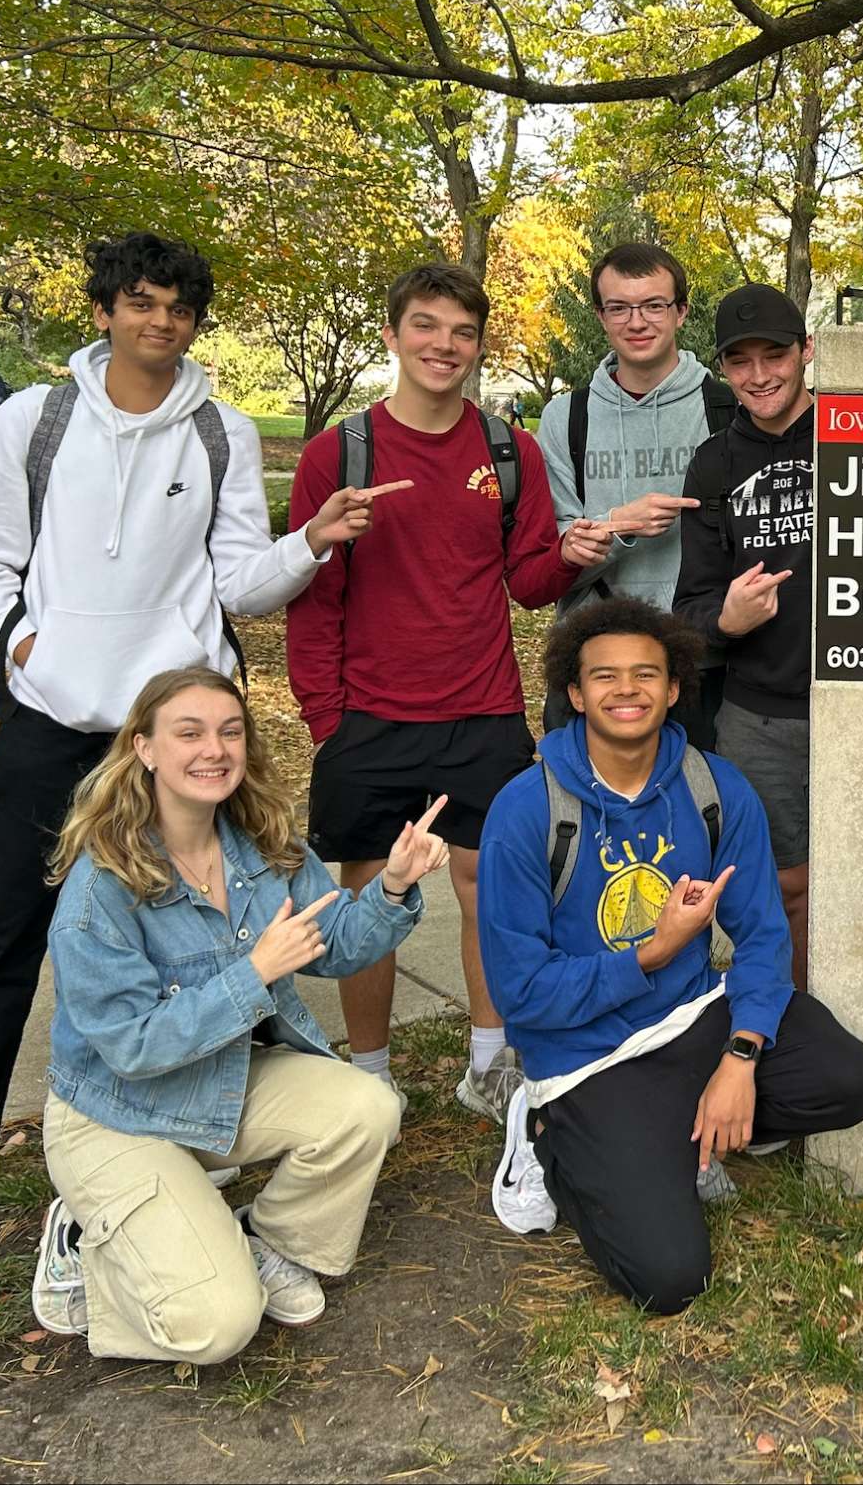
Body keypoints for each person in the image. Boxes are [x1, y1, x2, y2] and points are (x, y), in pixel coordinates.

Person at [0, 231, 388, 1273]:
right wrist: (29, 641)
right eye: (141, 302)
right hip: (52, 725)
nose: (161, 321)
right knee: (0, 934)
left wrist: (312, 542)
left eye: (180, 308)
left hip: (175, 730)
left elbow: (240, 578)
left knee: (207, 934)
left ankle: (195, 1143)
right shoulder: (36, 419)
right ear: (105, 308)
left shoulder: (220, 432)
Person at [475, 599, 863, 1314]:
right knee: (670, 1278)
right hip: (586, 1057)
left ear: (673, 687)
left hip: (693, 1018)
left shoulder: (713, 788)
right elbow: (521, 993)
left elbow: (761, 937)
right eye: (604, 676)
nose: (626, 689)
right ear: (574, 693)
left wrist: (741, 1054)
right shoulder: (525, 808)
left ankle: (687, 1132)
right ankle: (548, 1139)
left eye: (645, 674)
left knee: (850, 1079)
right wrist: (648, 953)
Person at [32, 667, 447, 1362]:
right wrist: (254, 972)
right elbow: (131, 1048)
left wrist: (395, 882)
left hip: (217, 1081)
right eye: (188, 732)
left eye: (230, 731)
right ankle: (84, 1242)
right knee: (218, 1325)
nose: (214, 749)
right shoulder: (100, 885)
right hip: (117, 1113)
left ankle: (266, 1241)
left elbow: (337, 943)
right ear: (144, 748)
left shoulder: (261, 843)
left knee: (367, 1105)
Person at [286, 262, 597, 1128]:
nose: (443, 346)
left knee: (490, 891)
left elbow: (528, 582)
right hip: (370, 719)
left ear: (478, 344)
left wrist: (575, 554)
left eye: (462, 332)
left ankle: (488, 1067)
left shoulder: (508, 450)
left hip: (483, 712)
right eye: (425, 326)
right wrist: (327, 720)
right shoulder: (338, 453)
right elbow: (314, 602)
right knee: (363, 899)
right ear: (392, 335)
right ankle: (372, 1073)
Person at [536, 241, 733, 743]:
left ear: (681, 312)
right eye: (619, 307)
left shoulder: (726, 409)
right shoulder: (567, 417)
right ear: (602, 316)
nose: (637, 322)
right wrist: (618, 525)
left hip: (703, 659)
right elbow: (553, 559)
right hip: (594, 658)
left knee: (703, 813)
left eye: (653, 305)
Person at [675, 284, 816, 979]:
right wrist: (726, 621)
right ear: (723, 368)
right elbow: (689, 610)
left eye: (775, 355)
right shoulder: (713, 464)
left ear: (806, 351)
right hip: (762, 713)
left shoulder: (855, 432)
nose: (760, 375)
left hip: (861, 702)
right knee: (789, 884)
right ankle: (797, 1018)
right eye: (740, 361)